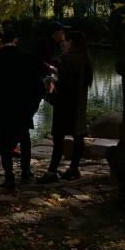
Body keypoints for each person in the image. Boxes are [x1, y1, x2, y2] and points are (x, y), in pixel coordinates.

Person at [0, 23, 50, 191]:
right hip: (22, 107)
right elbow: (43, 74)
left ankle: (9, 177)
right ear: (16, 40)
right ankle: (26, 172)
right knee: (24, 139)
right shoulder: (27, 57)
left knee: (3, 142)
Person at [40, 30, 94, 183]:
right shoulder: (85, 59)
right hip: (79, 104)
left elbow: (64, 85)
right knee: (78, 136)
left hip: (65, 105)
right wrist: (57, 70)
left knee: (58, 138)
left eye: (66, 41)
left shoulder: (68, 60)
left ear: (72, 43)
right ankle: (74, 168)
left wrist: (51, 82)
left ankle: (51, 172)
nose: (62, 43)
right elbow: (74, 79)